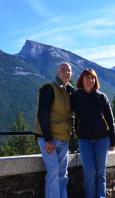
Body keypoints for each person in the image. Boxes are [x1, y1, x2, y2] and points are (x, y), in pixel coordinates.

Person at [71, 68, 115, 198]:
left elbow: (110, 119)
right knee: (89, 172)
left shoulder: (101, 97)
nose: (90, 80)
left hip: (102, 139)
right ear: (82, 79)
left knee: (100, 172)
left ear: (95, 80)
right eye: (87, 78)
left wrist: (113, 141)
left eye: (92, 78)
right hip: (85, 140)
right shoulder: (75, 97)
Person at [34, 62, 74, 198]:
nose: (66, 72)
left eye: (68, 70)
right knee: (53, 172)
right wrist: (48, 139)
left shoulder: (68, 91)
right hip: (49, 139)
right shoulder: (49, 89)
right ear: (57, 73)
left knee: (63, 174)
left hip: (63, 138)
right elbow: (42, 113)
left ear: (71, 74)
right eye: (63, 69)